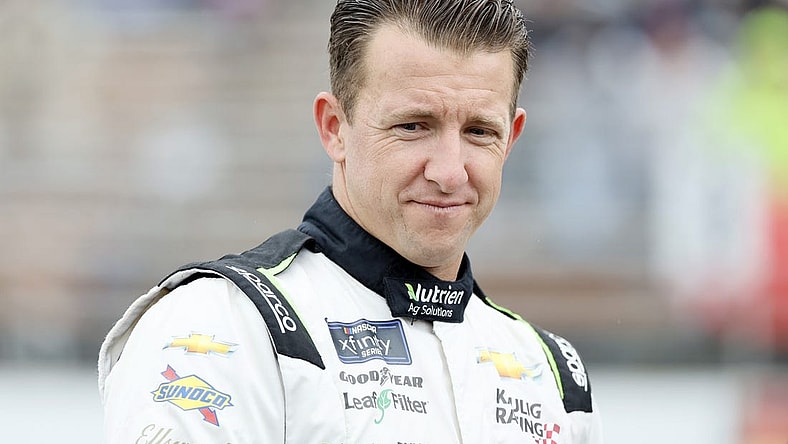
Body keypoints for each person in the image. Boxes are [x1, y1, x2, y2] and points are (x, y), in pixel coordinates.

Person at [98, 1, 603, 443]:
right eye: (413, 126)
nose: (450, 172)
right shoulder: (224, 324)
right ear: (334, 128)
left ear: (511, 139)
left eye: (479, 131)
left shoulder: (551, 374)